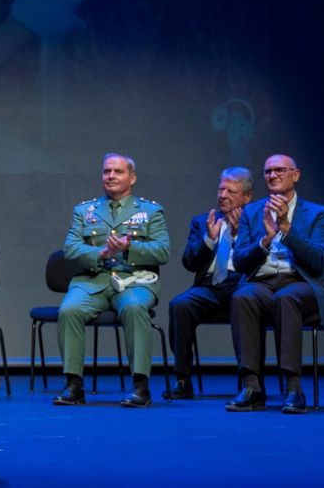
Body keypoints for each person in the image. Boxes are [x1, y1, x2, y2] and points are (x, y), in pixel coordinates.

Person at [52, 154, 169, 408]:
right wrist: (100, 253)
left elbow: (162, 251)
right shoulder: (85, 211)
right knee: (69, 310)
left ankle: (140, 386)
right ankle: (73, 385)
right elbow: (70, 249)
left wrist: (129, 248)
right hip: (93, 280)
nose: (111, 176)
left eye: (118, 171)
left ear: (132, 177)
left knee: (135, 308)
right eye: (107, 172)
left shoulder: (149, 211)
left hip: (134, 280)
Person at [227, 154, 324, 414]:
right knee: (243, 297)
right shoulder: (252, 212)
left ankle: (293, 387)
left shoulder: (318, 213)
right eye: (268, 172)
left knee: (287, 297)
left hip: (302, 282)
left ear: (295, 175)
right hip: (263, 282)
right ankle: (252, 386)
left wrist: (286, 229)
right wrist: (264, 240)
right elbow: (240, 261)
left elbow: (319, 260)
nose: (273, 176)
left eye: (279, 170)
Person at [164, 167, 255, 400]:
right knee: (180, 305)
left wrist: (237, 235)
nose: (223, 195)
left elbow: (259, 259)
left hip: (243, 285)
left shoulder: (257, 221)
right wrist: (208, 240)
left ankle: (250, 381)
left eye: (231, 191)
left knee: (245, 300)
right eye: (220, 189)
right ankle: (183, 379)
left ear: (247, 196)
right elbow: (189, 262)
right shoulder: (203, 221)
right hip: (210, 288)